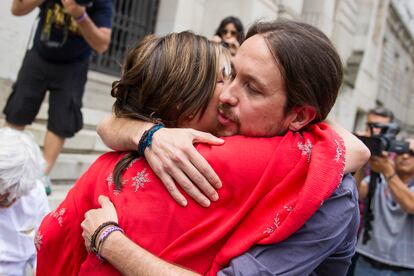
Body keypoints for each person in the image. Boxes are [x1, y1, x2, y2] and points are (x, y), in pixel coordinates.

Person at [37, 26, 368, 275]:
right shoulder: (178, 148)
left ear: (299, 116)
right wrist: (147, 134)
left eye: (252, 88)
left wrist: (110, 241)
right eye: (230, 75)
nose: (226, 95)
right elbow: (113, 121)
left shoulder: (330, 195)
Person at [2, 0, 112, 194]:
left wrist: (80, 15)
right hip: (39, 54)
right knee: (17, 109)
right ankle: (4, 160)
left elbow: (102, 44)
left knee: (62, 119)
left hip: (73, 64)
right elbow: (16, 9)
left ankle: (42, 176)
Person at [354, 138, 414, 274]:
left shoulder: (386, 174)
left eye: (412, 153)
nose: (405, 156)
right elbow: (356, 193)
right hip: (367, 261)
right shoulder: (378, 179)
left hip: (406, 268)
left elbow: (410, 205)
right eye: (401, 151)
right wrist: (361, 160)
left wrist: (387, 170)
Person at [0, 128, 49, 275]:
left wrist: (40, 267)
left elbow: (43, 244)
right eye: (3, 194)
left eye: (14, 195)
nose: (8, 199)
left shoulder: (34, 191)